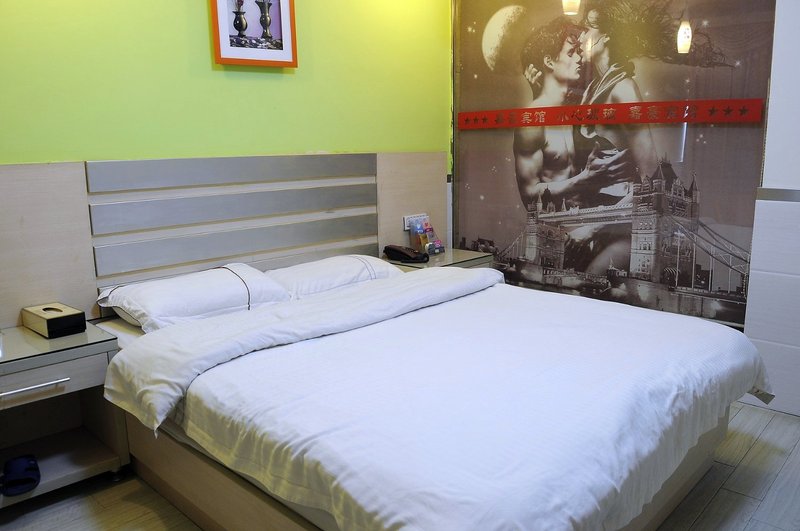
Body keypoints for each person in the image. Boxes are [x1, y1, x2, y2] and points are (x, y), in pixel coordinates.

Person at [513, 17, 630, 213]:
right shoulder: (531, 120)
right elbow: (528, 194)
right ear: (549, 61)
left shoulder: (577, 110)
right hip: (553, 225)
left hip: (585, 220)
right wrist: (585, 179)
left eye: (578, 52)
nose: (579, 58)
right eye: (571, 53)